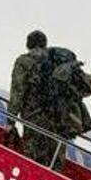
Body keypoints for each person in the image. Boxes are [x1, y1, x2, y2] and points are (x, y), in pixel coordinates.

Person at [8, 30, 61, 168]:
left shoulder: (24, 61)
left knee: (32, 160)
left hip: (34, 116)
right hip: (57, 120)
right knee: (53, 162)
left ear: (28, 44)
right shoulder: (57, 63)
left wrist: (10, 121)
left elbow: (17, 91)